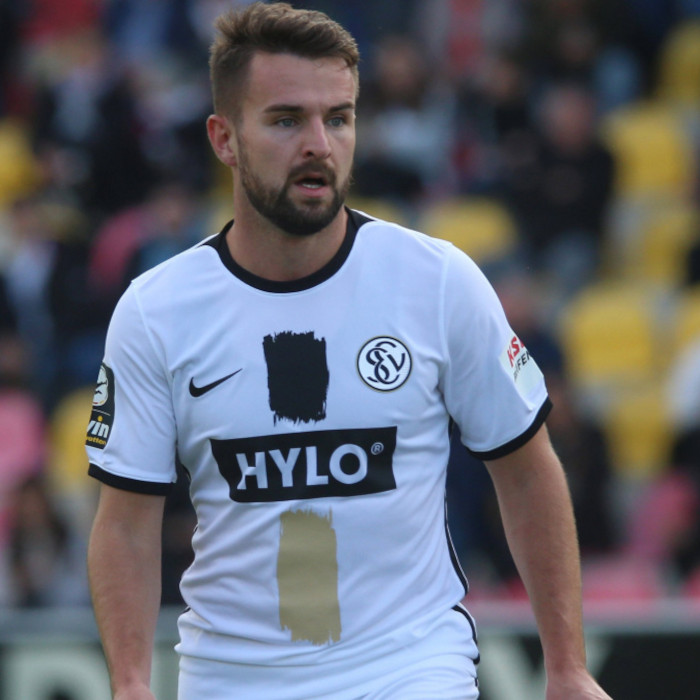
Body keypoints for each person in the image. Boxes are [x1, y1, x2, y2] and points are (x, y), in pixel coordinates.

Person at [86, 3, 612, 699]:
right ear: (224, 139)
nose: (319, 144)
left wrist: (568, 667)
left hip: (410, 669)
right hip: (233, 680)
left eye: (338, 119)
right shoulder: (157, 312)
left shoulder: (437, 281)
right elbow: (125, 525)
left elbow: (526, 470)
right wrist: (129, 686)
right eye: (286, 120)